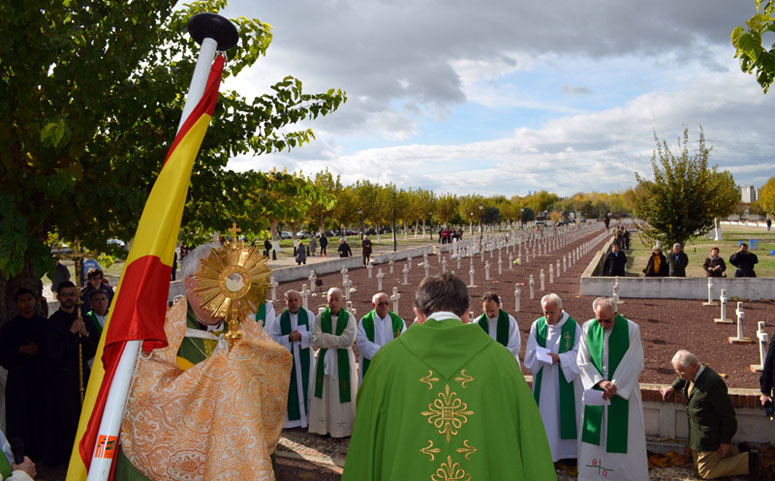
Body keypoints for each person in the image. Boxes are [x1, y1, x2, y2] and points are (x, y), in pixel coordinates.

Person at [342, 273, 556, 480]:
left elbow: (365, 442)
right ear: (467, 313)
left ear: (418, 313)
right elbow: (529, 441)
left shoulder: (385, 362)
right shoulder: (503, 362)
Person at [115, 244, 292, 480]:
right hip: (178, 453)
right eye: (212, 277)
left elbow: (274, 376)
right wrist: (213, 376)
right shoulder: (160, 334)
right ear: (189, 285)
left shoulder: (249, 335)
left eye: (229, 276)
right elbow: (146, 398)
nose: (224, 288)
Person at [576, 297, 648, 481]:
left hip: (623, 394)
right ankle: (592, 475)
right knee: (595, 436)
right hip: (597, 393)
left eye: (608, 320)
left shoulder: (631, 329)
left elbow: (634, 361)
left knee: (625, 437)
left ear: (616, 314)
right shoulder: (587, 328)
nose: (603, 325)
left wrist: (616, 385)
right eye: (599, 320)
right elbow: (582, 361)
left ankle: (624, 476)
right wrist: (600, 382)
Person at [660, 350, 759, 480]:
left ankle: (751, 461)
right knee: (697, 466)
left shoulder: (713, 384)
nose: (680, 376)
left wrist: (725, 440)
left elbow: (727, 415)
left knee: (706, 472)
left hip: (710, 437)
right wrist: (673, 387)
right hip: (698, 436)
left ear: (694, 365)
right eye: (677, 372)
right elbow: (683, 378)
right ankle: (739, 450)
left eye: (682, 372)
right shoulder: (695, 373)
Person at [44, 281, 100, 466]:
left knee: (87, 418)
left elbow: (95, 349)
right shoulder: (53, 322)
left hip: (83, 375)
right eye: (65, 294)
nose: (69, 298)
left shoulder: (84, 317)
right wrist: (71, 332)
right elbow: (52, 354)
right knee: (67, 421)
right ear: (58, 297)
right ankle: (69, 459)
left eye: (72, 294)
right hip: (63, 379)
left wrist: (85, 334)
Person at [524, 293, 583, 463]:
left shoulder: (573, 327)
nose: (548, 317)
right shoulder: (537, 325)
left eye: (552, 312)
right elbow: (530, 352)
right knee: (546, 417)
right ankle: (548, 454)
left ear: (561, 310)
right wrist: (541, 356)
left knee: (565, 416)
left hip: (566, 381)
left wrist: (560, 358)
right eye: (545, 312)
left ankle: (568, 455)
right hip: (545, 381)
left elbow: (579, 354)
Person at [0, 289, 47, 462]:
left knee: (40, 416)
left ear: (35, 301)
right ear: (17, 304)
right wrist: (21, 349)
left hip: (40, 378)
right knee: (19, 419)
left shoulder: (44, 325)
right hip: (18, 380)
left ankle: (42, 454)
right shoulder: (9, 328)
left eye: (29, 299)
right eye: (22, 300)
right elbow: (3, 353)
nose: (27, 303)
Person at [308, 287, 358, 438]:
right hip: (325, 361)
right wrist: (336, 340)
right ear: (327, 300)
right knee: (325, 391)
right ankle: (324, 427)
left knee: (341, 393)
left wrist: (327, 339)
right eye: (331, 299)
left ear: (342, 300)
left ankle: (343, 427)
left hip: (343, 359)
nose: (334, 302)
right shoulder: (320, 318)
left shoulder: (349, 318)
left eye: (337, 299)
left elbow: (348, 340)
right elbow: (316, 340)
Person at [267, 290, 316, 429]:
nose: (293, 303)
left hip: (305, 358)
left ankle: (308, 418)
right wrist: (288, 338)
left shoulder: (309, 316)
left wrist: (302, 337)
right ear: (285, 301)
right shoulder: (280, 319)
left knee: (308, 386)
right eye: (290, 300)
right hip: (289, 361)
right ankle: (292, 421)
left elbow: (317, 335)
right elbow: (272, 339)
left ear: (300, 301)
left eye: (296, 300)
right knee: (291, 388)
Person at [356, 292, 406, 385]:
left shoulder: (398, 322)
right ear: (373, 305)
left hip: (391, 365)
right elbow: (361, 343)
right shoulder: (366, 321)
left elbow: (403, 343)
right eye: (380, 303)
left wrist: (389, 354)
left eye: (386, 303)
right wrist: (382, 352)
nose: (384, 306)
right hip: (372, 365)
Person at [475, 292, 521, 365]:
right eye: (487, 311)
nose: (489, 314)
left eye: (492, 311)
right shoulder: (477, 323)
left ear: (498, 306)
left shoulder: (510, 321)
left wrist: (495, 354)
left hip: (506, 363)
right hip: (486, 364)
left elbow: (515, 347)